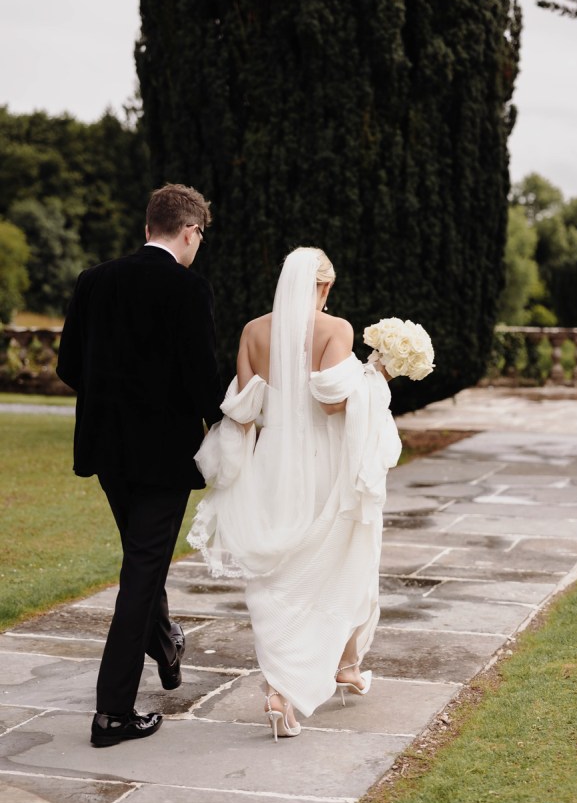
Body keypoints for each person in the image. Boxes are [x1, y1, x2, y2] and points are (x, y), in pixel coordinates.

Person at [188, 246, 402, 739]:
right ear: (323, 287)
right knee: (338, 562)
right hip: (324, 465)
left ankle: (307, 679)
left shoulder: (252, 332)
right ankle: (291, 689)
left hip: (274, 461)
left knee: (280, 573)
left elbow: (243, 408)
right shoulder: (337, 330)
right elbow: (332, 406)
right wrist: (378, 376)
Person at [57, 183, 224, 747]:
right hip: (163, 455)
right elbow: (204, 381)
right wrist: (231, 424)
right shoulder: (188, 288)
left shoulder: (94, 280)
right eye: (201, 234)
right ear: (189, 230)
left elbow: (69, 366)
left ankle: (168, 639)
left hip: (107, 451)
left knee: (141, 561)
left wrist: (114, 401)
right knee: (142, 574)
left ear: (148, 225)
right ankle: (113, 714)